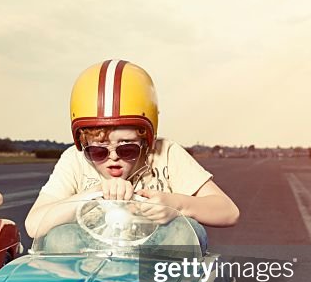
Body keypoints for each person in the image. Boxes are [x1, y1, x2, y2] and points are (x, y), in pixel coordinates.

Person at [25, 60, 239, 250]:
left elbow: (228, 211)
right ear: (83, 143)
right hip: (91, 257)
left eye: (127, 148)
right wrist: (94, 193)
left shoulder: (166, 153)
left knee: (183, 234)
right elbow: (34, 225)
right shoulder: (74, 158)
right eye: (98, 151)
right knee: (60, 238)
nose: (113, 157)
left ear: (146, 140)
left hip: (153, 262)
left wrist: (176, 205)